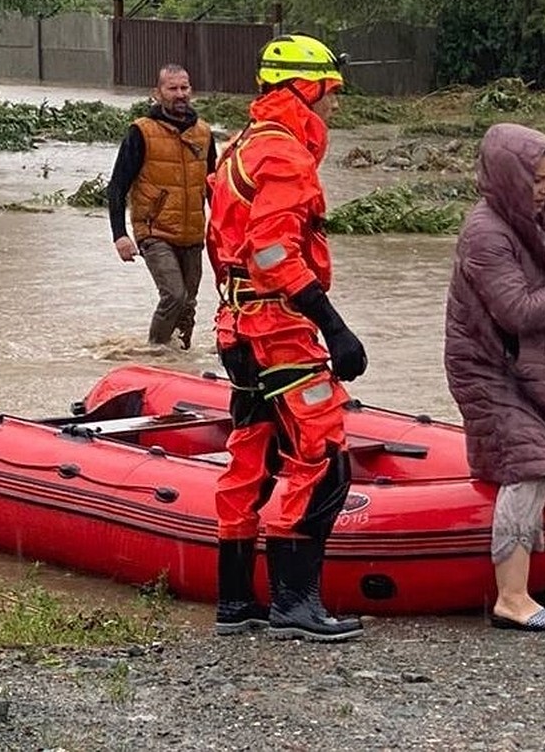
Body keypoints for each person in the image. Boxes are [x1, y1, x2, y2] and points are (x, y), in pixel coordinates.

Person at [206, 34, 368, 643]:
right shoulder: (284, 156)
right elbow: (273, 252)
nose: (334, 108)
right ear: (307, 90)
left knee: (250, 455)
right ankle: (295, 603)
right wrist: (335, 326)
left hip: (238, 323)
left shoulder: (241, 147)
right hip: (279, 327)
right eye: (331, 94)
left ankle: (235, 601)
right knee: (322, 456)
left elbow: (228, 246)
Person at [444, 123, 545, 632]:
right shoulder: (487, 233)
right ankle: (511, 598)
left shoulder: (529, 222)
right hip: (486, 366)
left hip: (518, 364)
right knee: (529, 460)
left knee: (540, 448)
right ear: (511, 177)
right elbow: (516, 310)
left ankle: (521, 570)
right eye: (537, 180)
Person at [108, 64, 217, 349]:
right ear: (157, 93)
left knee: (188, 305)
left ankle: (181, 360)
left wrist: (226, 231)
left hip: (193, 232)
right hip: (154, 230)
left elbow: (213, 188)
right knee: (174, 296)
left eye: (185, 87)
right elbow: (117, 186)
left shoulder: (204, 133)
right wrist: (120, 234)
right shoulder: (141, 132)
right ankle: (155, 354)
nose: (180, 94)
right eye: (172, 88)